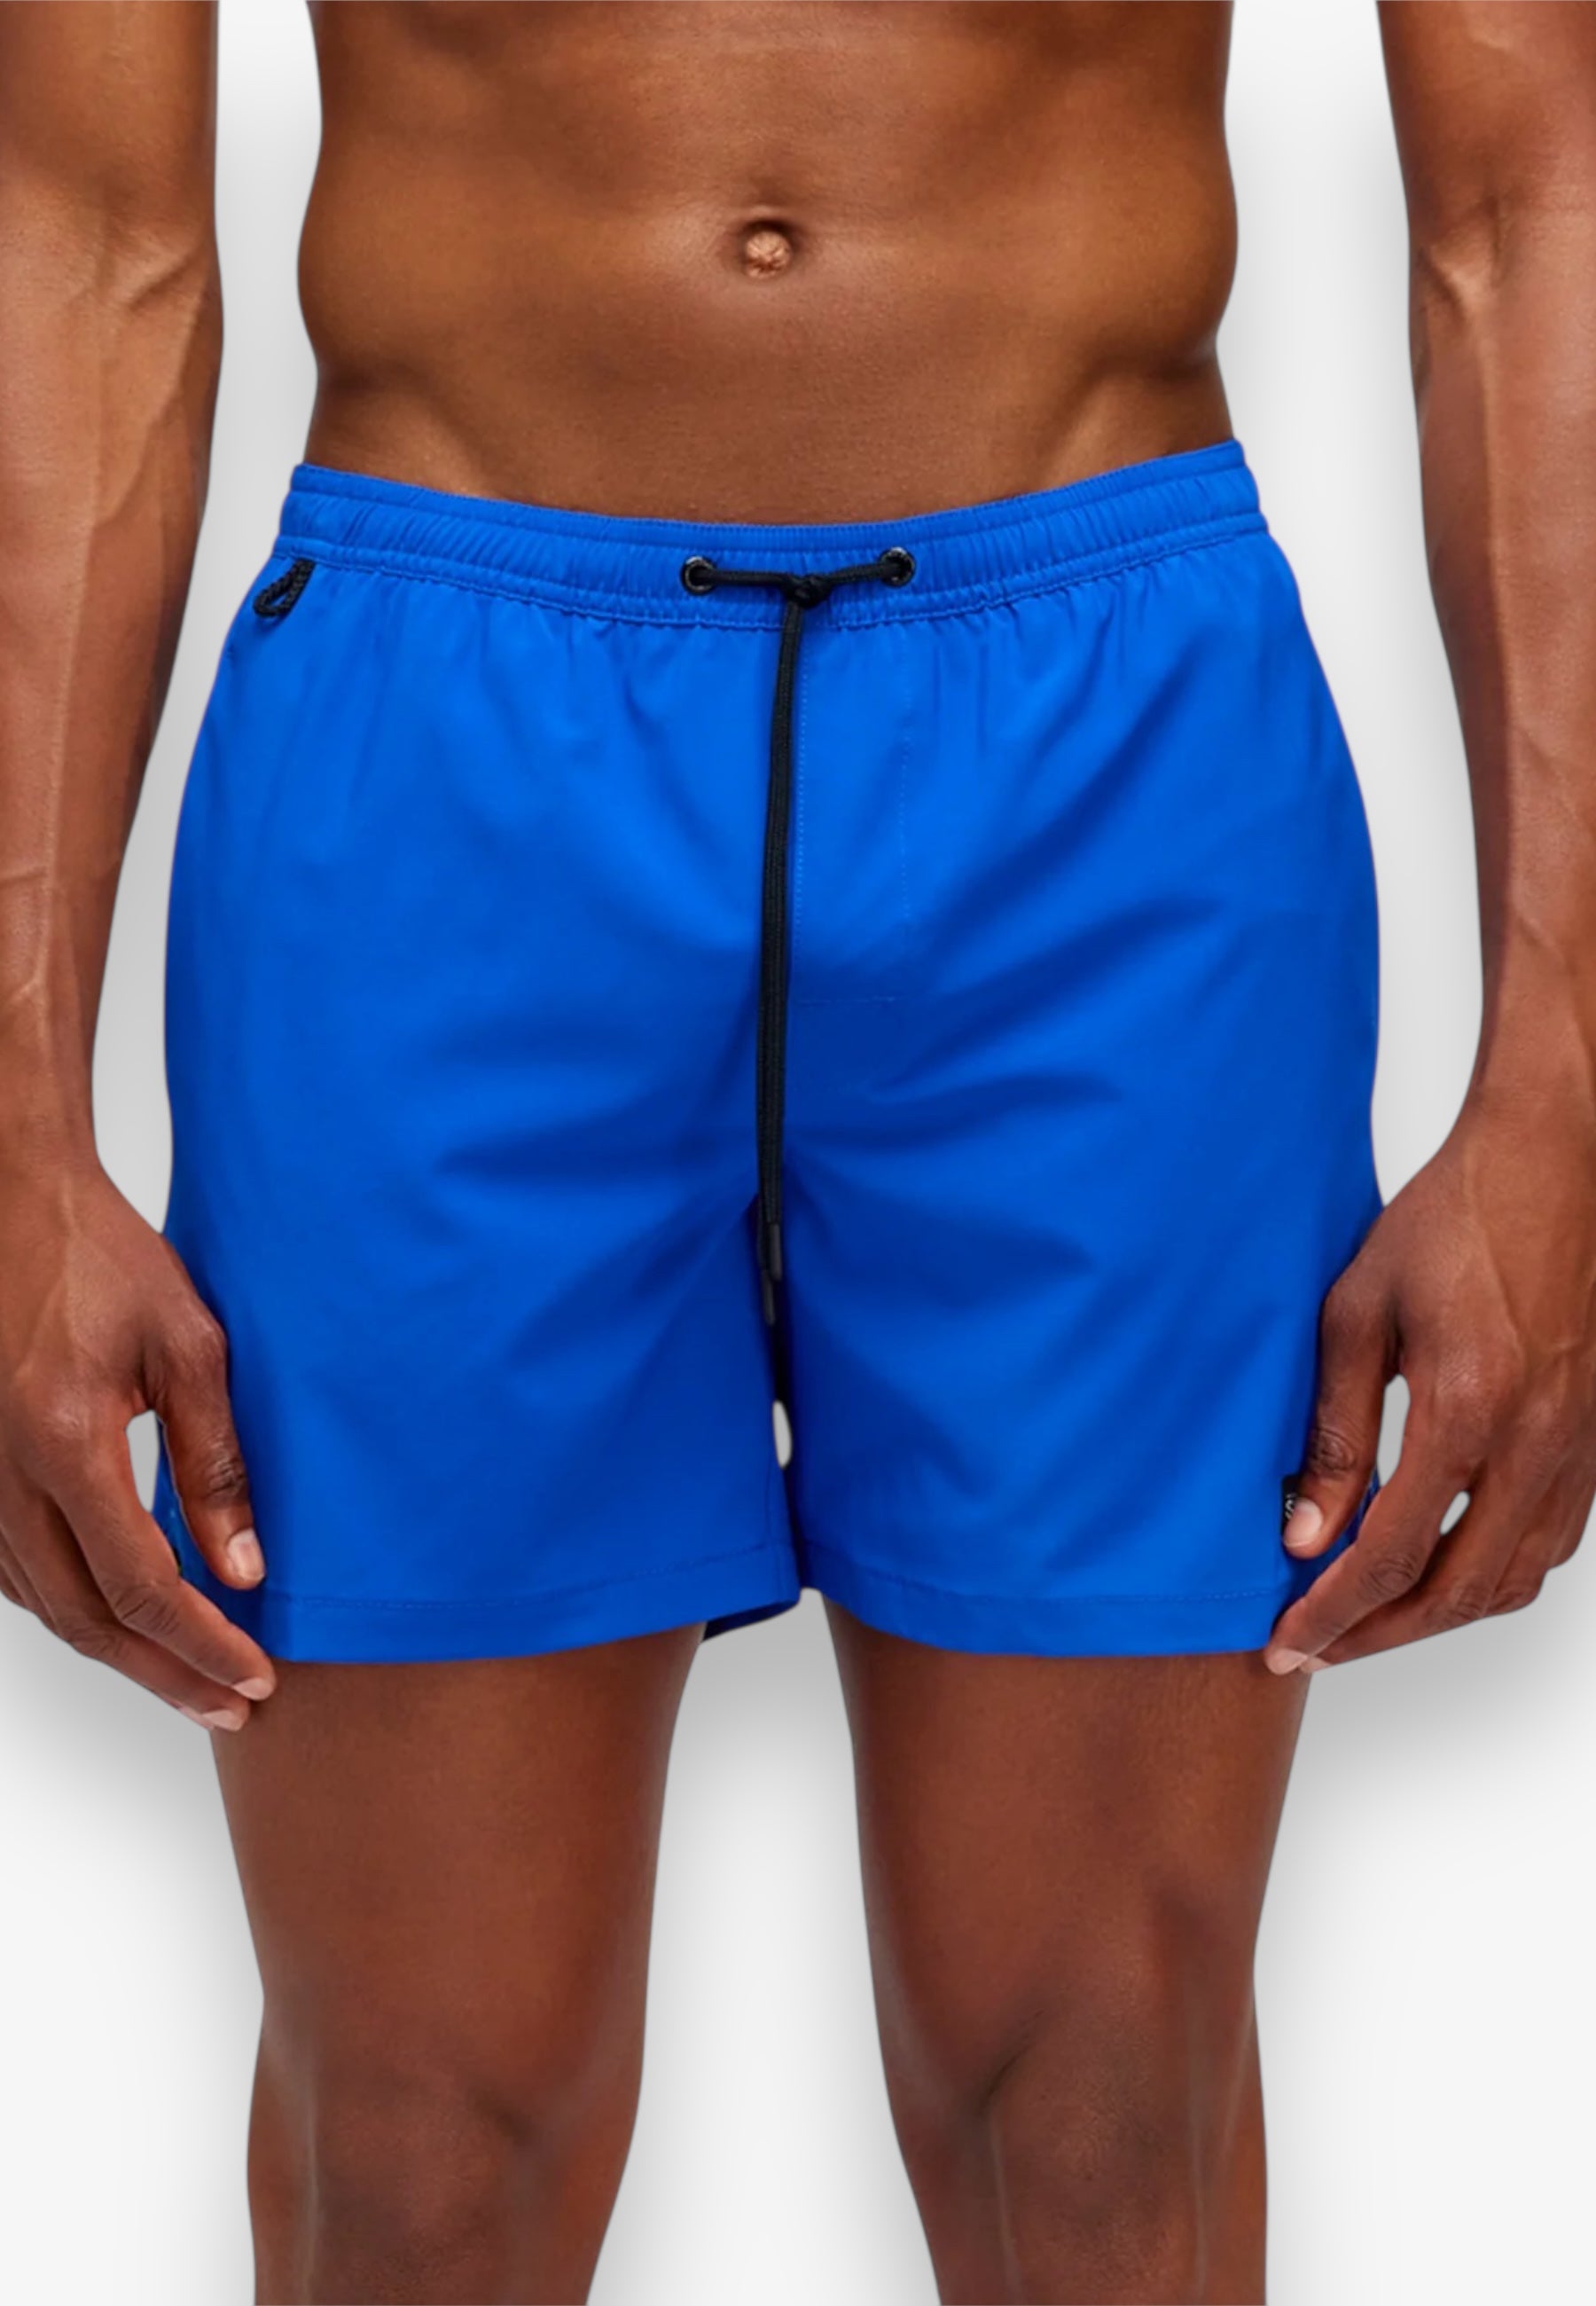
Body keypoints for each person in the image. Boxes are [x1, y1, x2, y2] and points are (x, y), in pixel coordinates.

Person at [2, 4, 1592, 2301]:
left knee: (1095, 2121)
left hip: (1106, 776)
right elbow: (84, 231)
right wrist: (20, 1116)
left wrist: (1558, 1083)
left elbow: (1531, 197)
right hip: (442, 758)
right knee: (422, 2159)